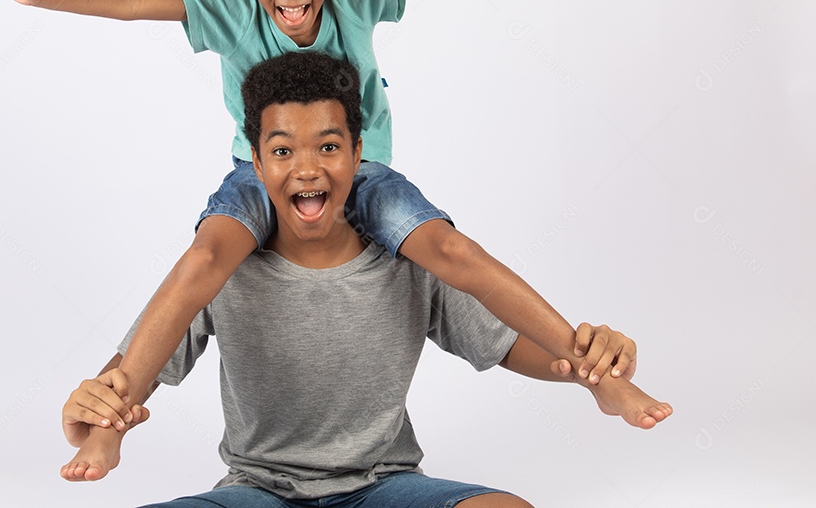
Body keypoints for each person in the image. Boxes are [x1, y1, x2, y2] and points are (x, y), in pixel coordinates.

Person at [0, 0, 628, 471]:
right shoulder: (225, 8)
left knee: (450, 251)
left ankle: (592, 367)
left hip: (361, 173)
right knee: (204, 260)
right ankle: (109, 422)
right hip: (260, 174)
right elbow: (134, 2)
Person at [59, 51, 672, 506]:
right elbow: (134, 363)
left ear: (358, 154)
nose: (306, 168)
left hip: (384, 487)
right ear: (255, 160)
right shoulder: (224, 269)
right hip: (258, 491)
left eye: (328, 147)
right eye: (281, 151)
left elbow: (511, 342)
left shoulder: (406, 261)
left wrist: (592, 364)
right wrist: (97, 414)